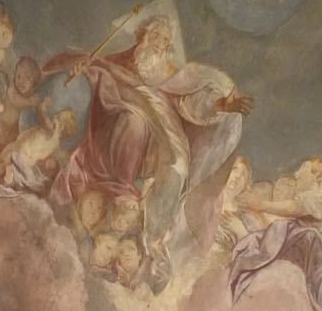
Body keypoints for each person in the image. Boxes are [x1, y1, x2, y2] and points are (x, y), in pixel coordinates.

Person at [46, 16, 251, 253]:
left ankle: (151, 238)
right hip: (119, 123)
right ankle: (122, 185)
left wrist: (221, 105)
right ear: (143, 37)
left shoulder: (171, 76)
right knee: (136, 120)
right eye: (155, 36)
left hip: (164, 132)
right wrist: (85, 68)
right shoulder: (123, 62)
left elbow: (191, 103)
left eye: (164, 40)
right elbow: (97, 70)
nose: (159, 43)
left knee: (177, 168)